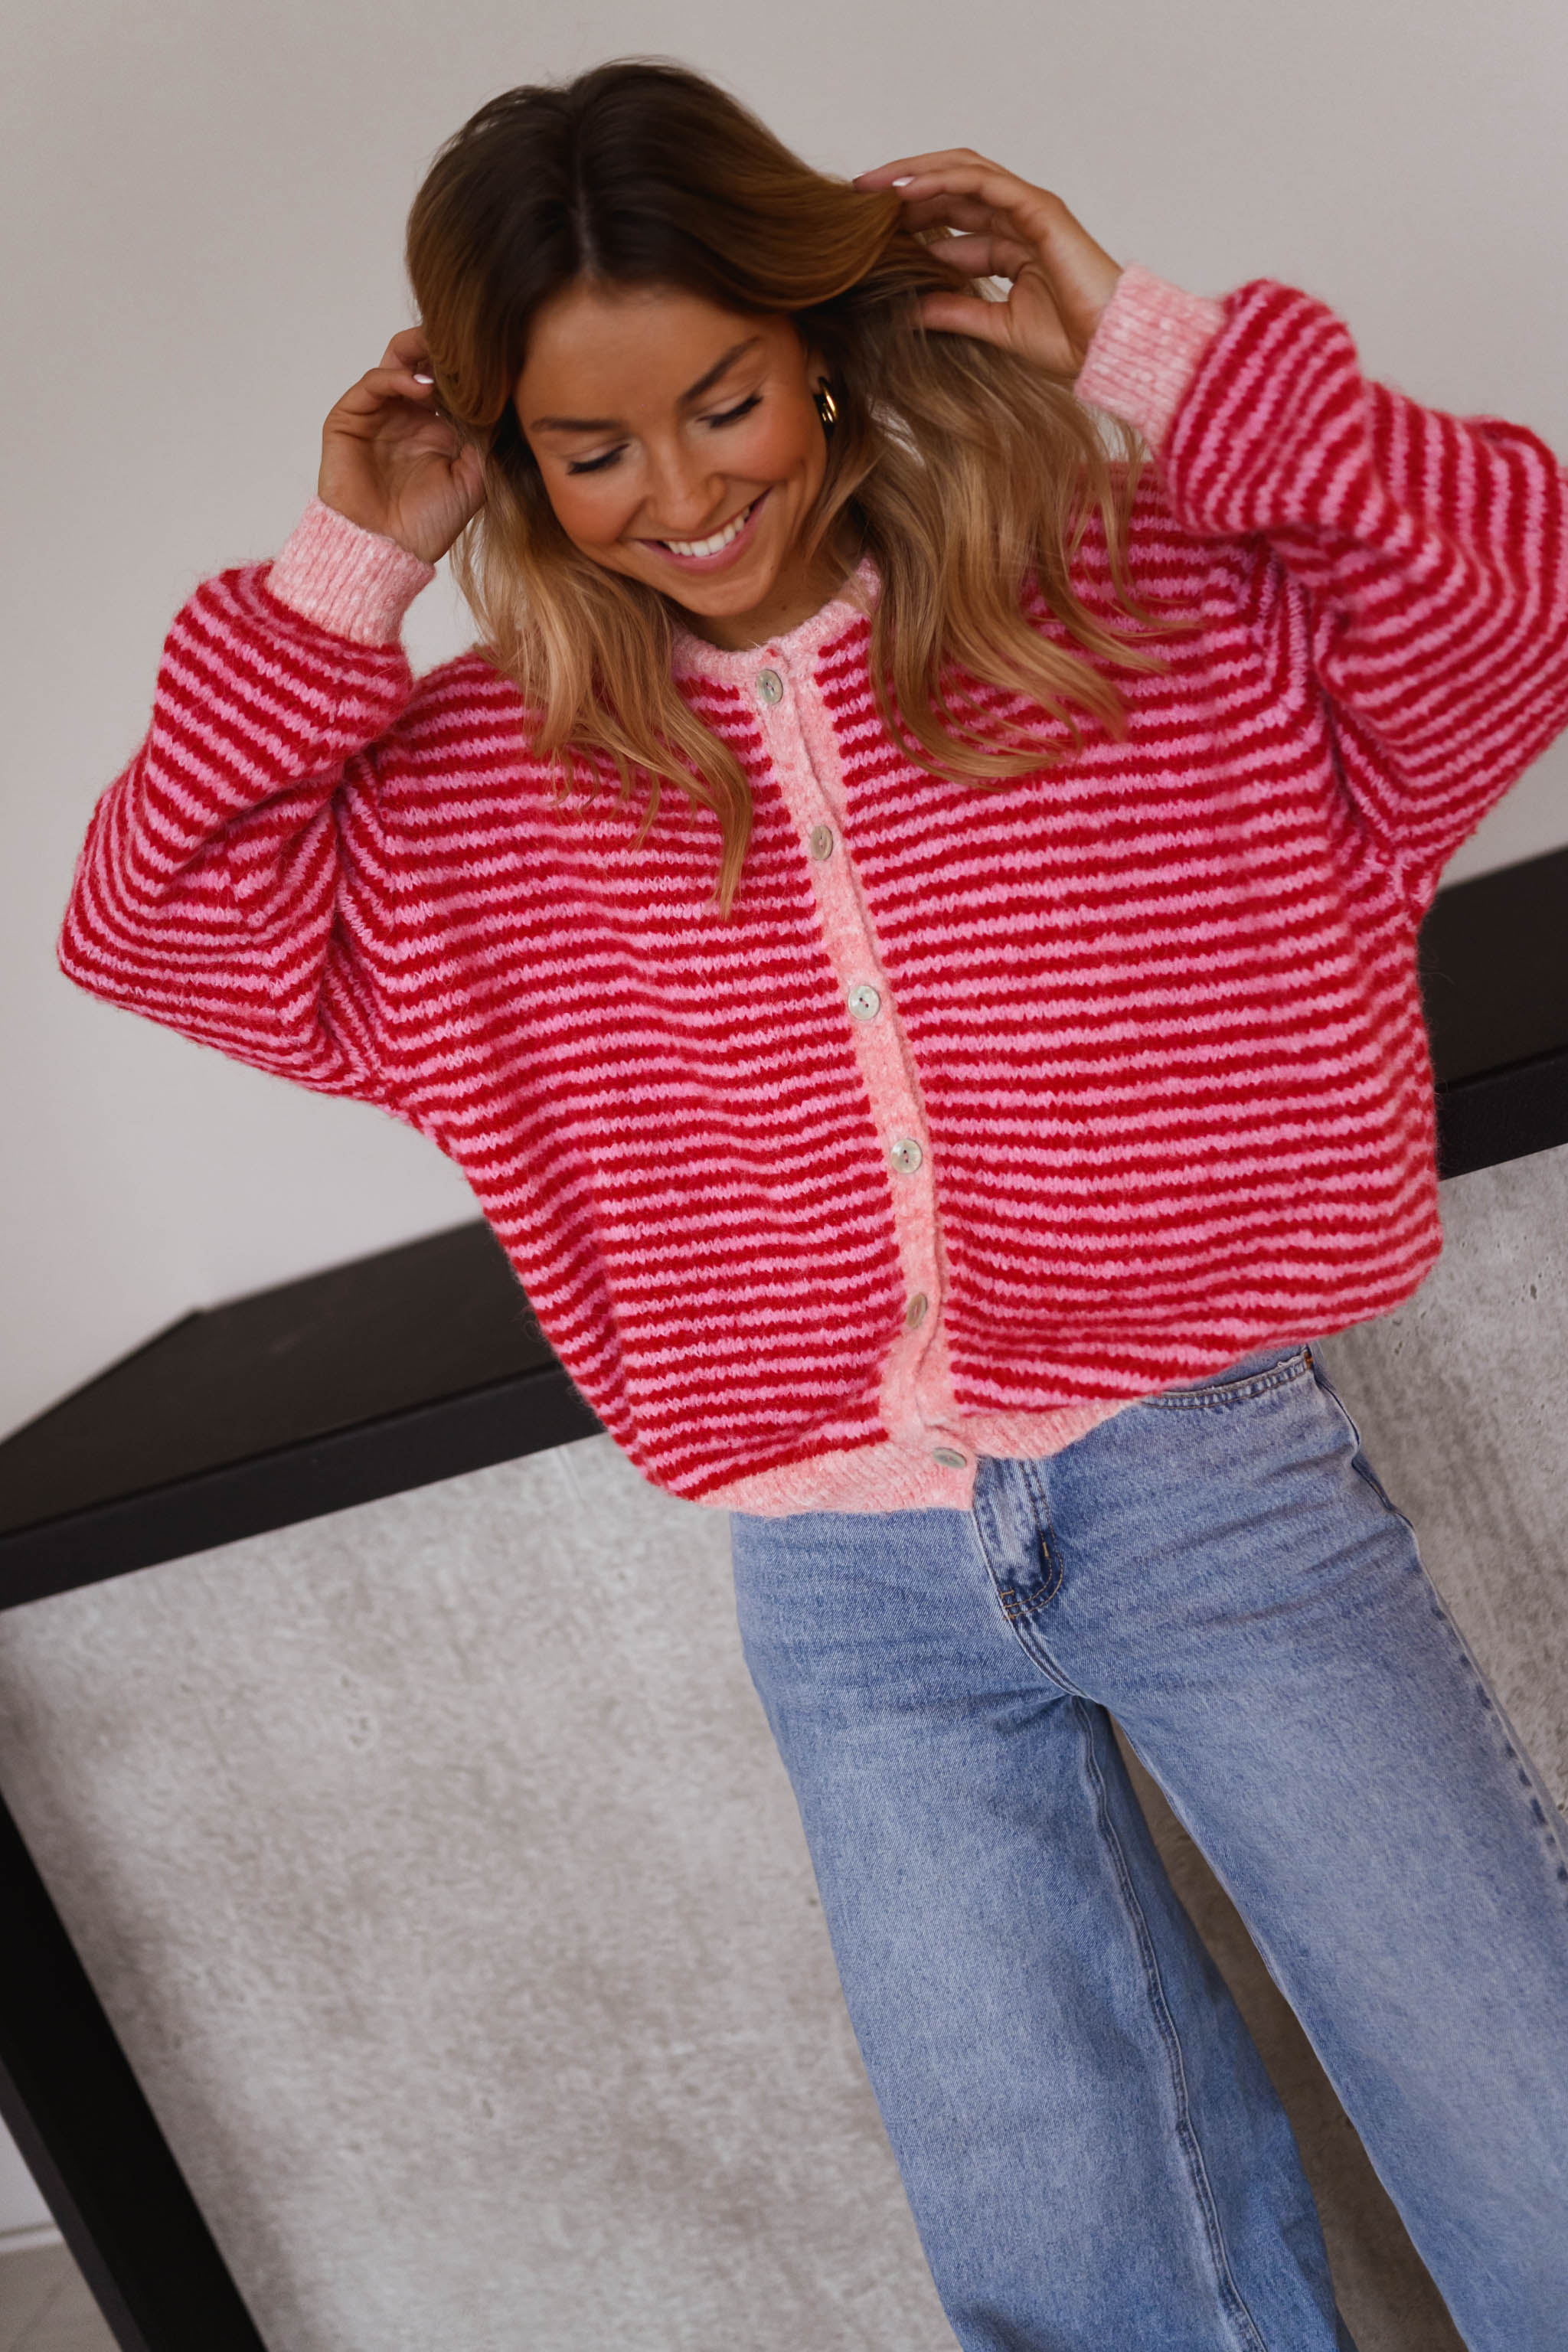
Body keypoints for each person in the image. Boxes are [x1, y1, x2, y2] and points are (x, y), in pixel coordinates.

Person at [58, 57, 1568, 2352]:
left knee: (1524, 2131)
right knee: (1069, 2259)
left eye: (721, 401)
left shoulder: (1150, 622)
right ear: (511, 459)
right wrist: (350, 567)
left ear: (820, 348)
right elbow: (155, 919)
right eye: (592, 446)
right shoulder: (491, 798)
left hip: (1211, 1488)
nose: (681, 493)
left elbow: (1516, 578)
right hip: (844, 1590)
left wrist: (1145, 343)